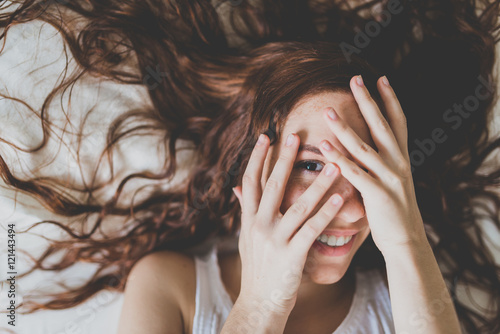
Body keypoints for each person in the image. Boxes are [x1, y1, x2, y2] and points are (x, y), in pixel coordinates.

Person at [0, 1, 499, 333]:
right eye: (310, 165)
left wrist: (406, 238)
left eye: (369, 169)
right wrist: (262, 302)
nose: (345, 206)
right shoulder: (169, 286)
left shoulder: (406, 301)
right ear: (248, 166)